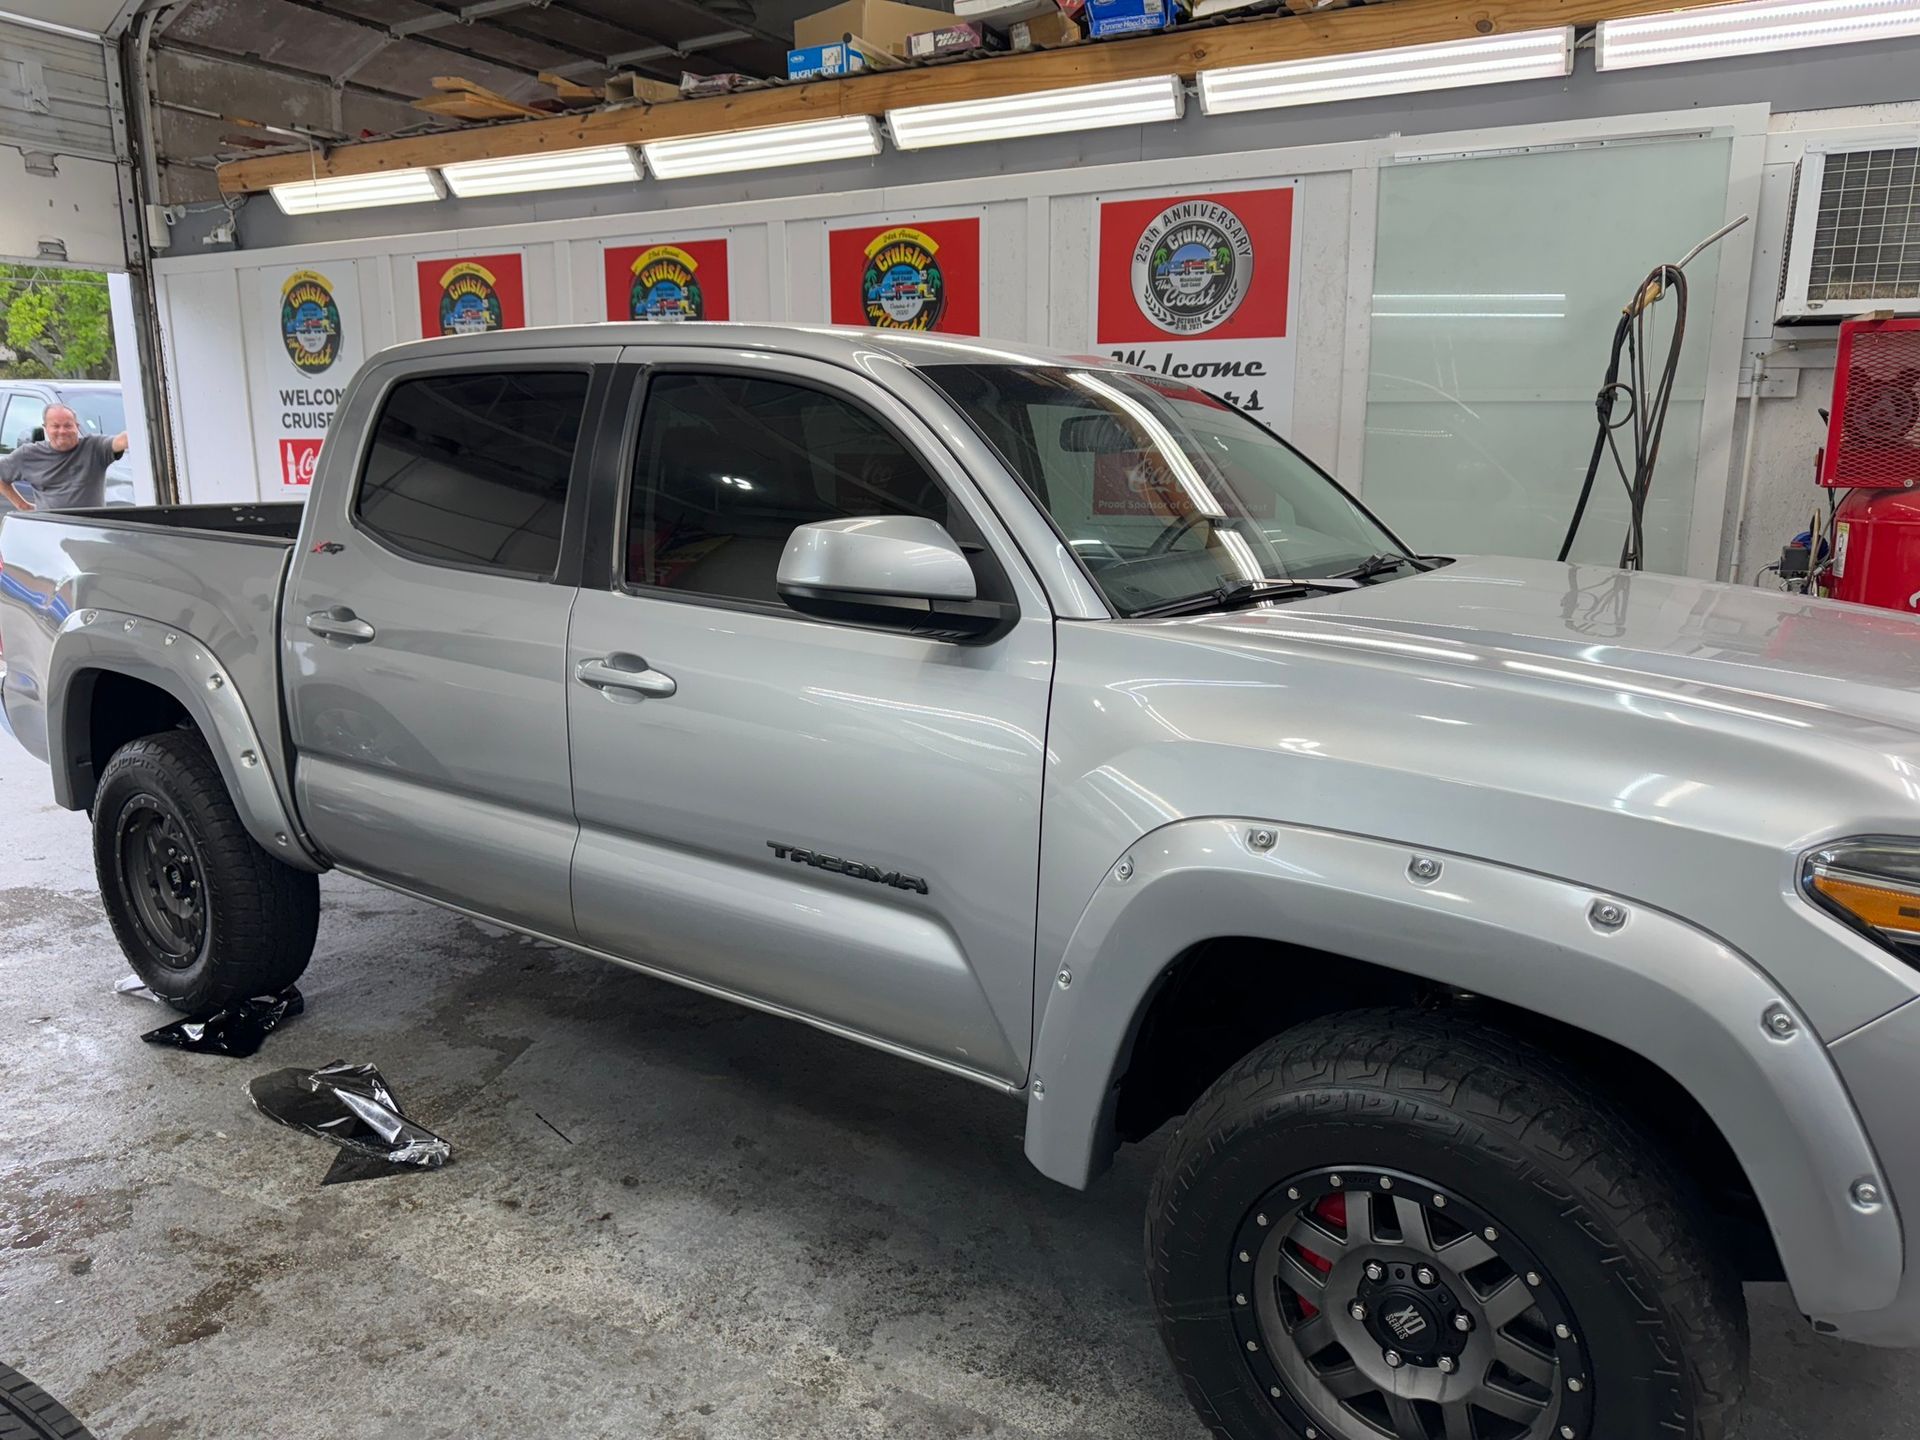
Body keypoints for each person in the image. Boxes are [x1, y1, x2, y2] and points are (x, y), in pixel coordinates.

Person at [0, 403, 130, 511]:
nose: (62, 431)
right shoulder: (28, 454)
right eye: (56, 426)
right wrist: (23, 505)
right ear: (45, 428)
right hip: (49, 530)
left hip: (89, 530)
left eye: (68, 425)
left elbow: (120, 441)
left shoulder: (94, 448)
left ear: (77, 427)